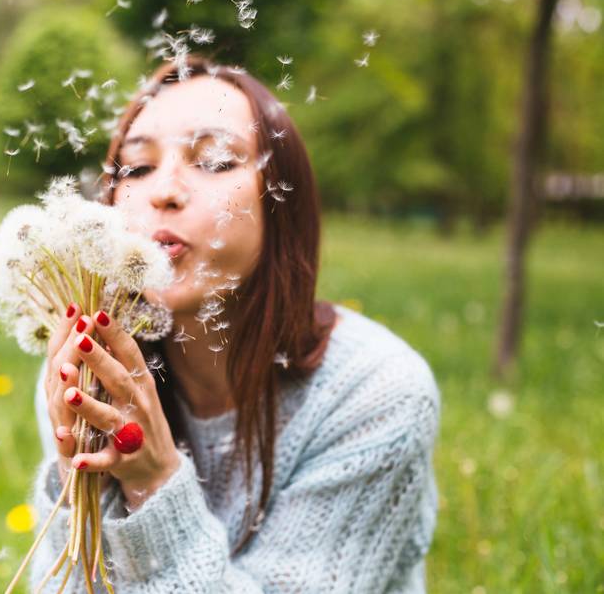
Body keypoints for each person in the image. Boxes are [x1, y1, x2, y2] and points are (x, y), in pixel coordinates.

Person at [27, 55, 441, 593]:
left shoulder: (375, 396)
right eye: (137, 167)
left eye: (216, 160)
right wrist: (78, 481)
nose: (164, 191)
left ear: (281, 202)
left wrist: (154, 483)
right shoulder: (90, 385)